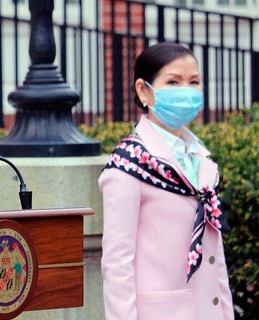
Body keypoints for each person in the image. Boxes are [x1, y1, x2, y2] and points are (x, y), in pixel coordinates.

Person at [98, 42, 234, 320]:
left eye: (194, 82)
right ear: (143, 90)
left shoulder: (201, 160)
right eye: (173, 82)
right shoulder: (128, 166)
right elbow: (117, 264)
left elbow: (214, 258)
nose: (187, 90)